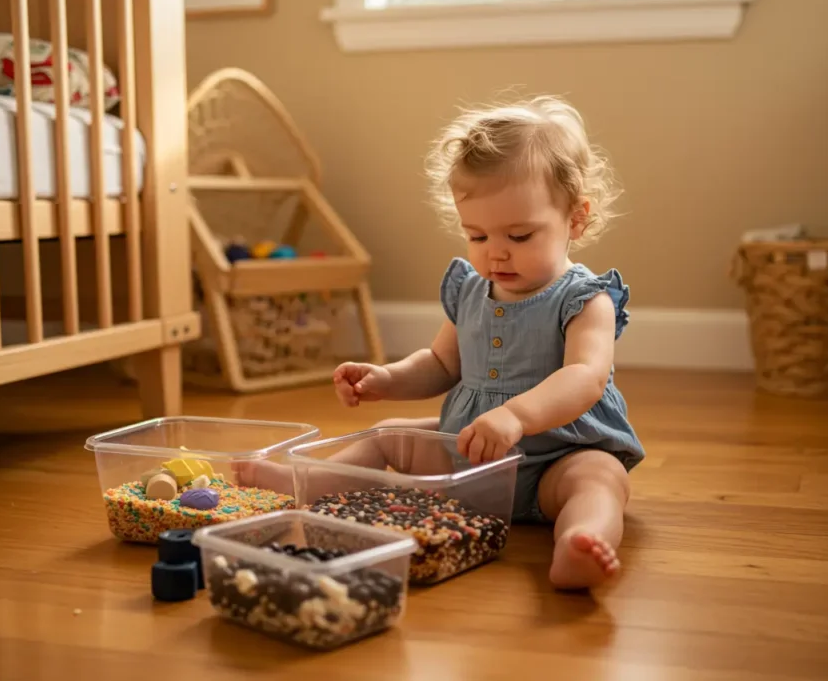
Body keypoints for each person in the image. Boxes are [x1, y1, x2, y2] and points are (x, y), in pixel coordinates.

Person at [240, 95, 644, 590]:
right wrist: (387, 379)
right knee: (388, 434)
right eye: (476, 236)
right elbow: (440, 363)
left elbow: (585, 377)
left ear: (575, 220)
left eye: (519, 236)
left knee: (602, 478)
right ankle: (300, 482)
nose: (495, 252)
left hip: (555, 459)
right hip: (468, 458)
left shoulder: (584, 299)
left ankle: (578, 541)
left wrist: (516, 416)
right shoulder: (470, 289)